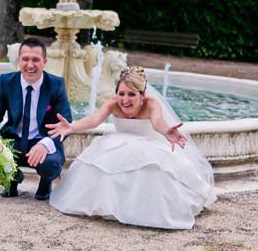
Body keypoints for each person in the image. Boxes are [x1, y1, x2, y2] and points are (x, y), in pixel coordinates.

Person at [46, 66, 216, 230]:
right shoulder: (113, 103)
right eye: (121, 94)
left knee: (152, 169)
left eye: (131, 95)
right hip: (118, 145)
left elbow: (158, 123)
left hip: (148, 146)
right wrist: (72, 127)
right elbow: (95, 119)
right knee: (104, 158)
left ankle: (146, 211)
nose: (125, 100)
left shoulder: (152, 104)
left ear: (142, 94)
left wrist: (167, 132)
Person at [0, 38, 72, 200]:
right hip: (13, 140)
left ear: (45, 62)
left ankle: (45, 184)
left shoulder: (56, 85)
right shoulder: (7, 82)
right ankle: (12, 179)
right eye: (25, 59)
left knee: (51, 163)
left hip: (41, 140)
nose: (30, 65)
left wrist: (45, 144)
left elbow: (65, 124)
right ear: (19, 61)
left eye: (36, 60)